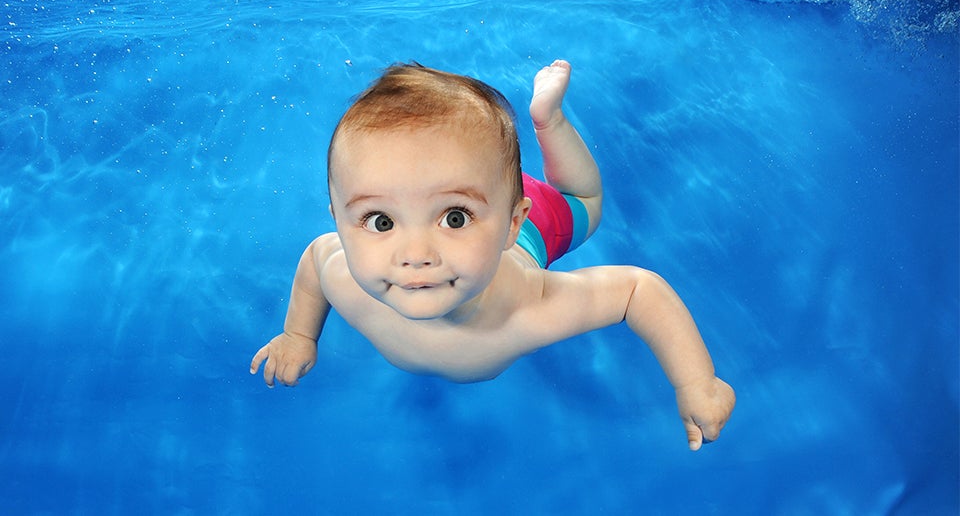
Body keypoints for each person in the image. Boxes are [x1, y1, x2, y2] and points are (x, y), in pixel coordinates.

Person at [250, 60, 735, 450]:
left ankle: (550, 122)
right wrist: (298, 334)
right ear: (338, 218)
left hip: (538, 230)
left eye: (453, 220)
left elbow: (637, 290)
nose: (416, 255)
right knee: (465, 186)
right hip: (485, 194)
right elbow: (316, 258)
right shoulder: (343, 279)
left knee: (584, 202)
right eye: (381, 221)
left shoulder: (531, 309)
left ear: (510, 223)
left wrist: (697, 380)